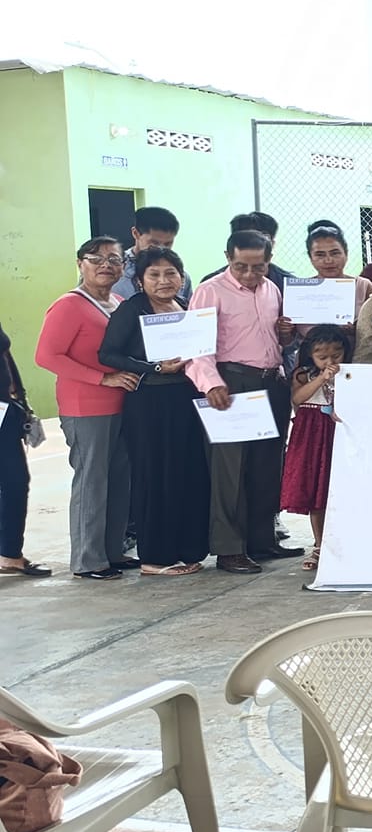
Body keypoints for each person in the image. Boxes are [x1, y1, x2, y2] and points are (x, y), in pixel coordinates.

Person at [186, 229, 298, 574]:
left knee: (267, 465)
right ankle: (229, 549)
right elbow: (196, 346)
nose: (250, 274)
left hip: (271, 382)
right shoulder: (210, 291)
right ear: (227, 258)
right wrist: (211, 384)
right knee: (230, 470)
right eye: (241, 266)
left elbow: (272, 340)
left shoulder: (272, 289)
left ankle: (261, 540)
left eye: (258, 267)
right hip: (231, 382)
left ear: (269, 261)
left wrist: (285, 336)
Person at [97, 245, 211, 576]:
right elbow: (108, 354)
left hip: (185, 401)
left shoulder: (186, 307)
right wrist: (154, 367)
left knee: (187, 473)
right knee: (155, 476)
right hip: (150, 404)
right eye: (154, 274)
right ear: (140, 280)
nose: (164, 280)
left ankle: (187, 549)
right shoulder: (132, 309)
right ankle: (155, 558)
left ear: (181, 277)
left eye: (170, 273)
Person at [35, 238, 138, 579]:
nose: (106, 265)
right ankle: (88, 560)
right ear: (80, 263)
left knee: (118, 481)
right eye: (96, 258)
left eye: (114, 259)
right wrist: (101, 378)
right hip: (86, 407)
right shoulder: (69, 305)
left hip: (122, 404)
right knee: (92, 482)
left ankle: (112, 552)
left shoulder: (118, 302)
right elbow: (47, 356)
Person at [282, 324, 351, 572]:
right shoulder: (303, 374)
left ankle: (344, 543)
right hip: (312, 434)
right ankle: (320, 545)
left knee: (339, 489)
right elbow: (298, 398)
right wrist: (322, 378)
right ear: (310, 355)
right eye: (322, 357)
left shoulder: (351, 373)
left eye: (336, 355)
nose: (330, 361)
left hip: (339, 433)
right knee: (317, 491)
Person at [0, 320, 45, 576]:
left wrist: (20, 397)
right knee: (13, 481)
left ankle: (10, 553)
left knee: (15, 481)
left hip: (5, 410)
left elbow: (5, 354)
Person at [296, 224, 372, 345]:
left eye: (335, 253)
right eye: (320, 255)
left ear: (346, 254)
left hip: (357, 355)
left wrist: (357, 330)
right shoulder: (301, 291)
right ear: (310, 257)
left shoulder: (363, 287)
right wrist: (285, 330)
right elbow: (287, 340)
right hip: (310, 356)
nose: (328, 260)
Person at [112, 207, 188, 301]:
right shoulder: (115, 270)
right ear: (136, 233)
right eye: (154, 243)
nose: (160, 249)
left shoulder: (181, 276)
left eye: (167, 244)